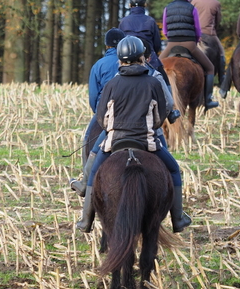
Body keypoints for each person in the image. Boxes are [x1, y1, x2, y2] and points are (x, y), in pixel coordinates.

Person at [76, 36, 192, 234]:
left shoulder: (112, 83)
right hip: (146, 140)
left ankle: (86, 220)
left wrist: (112, 129)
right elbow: (161, 115)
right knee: (173, 170)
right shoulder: (154, 81)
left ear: (120, 60)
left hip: (115, 140)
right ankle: (178, 218)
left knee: (94, 174)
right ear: (143, 58)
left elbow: (101, 117)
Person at [69, 28, 125, 197]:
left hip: (106, 112)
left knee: (88, 139)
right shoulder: (134, 63)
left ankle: (85, 182)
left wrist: (98, 114)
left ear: (106, 44)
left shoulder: (99, 65)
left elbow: (93, 96)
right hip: (133, 114)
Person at [159, 0, 219, 112]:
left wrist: (171, 39)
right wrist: (195, 41)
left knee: (154, 67)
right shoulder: (192, 8)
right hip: (189, 44)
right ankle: (208, 99)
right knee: (210, 68)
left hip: (171, 44)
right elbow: (197, 29)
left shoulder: (167, 8)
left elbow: (165, 30)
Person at [119, 0, 170, 86]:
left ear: (130, 5)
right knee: (166, 83)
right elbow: (157, 44)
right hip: (148, 59)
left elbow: (120, 44)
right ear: (145, 4)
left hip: (127, 60)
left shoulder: (123, 22)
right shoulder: (150, 21)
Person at [191, 0, 226, 85]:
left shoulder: (195, 2)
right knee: (221, 54)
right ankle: (222, 78)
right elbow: (218, 21)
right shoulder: (216, 3)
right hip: (210, 34)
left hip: (196, 34)